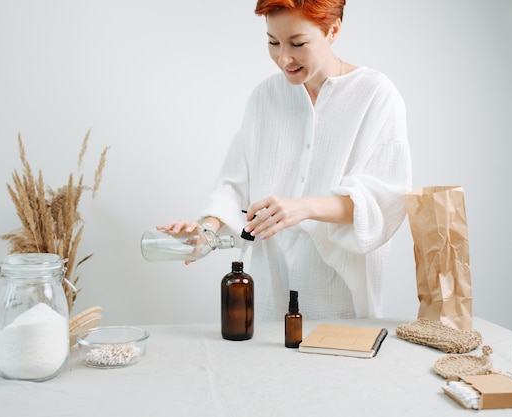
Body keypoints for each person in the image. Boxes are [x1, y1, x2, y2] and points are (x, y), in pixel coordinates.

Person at [161, 0, 411, 321]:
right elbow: (235, 181)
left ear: (333, 30)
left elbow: (383, 201)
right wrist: (205, 230)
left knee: (335, 367)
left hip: (338, 290)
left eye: (298, 43)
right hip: (272, 285)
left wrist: (302, 207)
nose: (283, 58)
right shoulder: (265, 97)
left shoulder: (375, 95)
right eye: (272, 42)